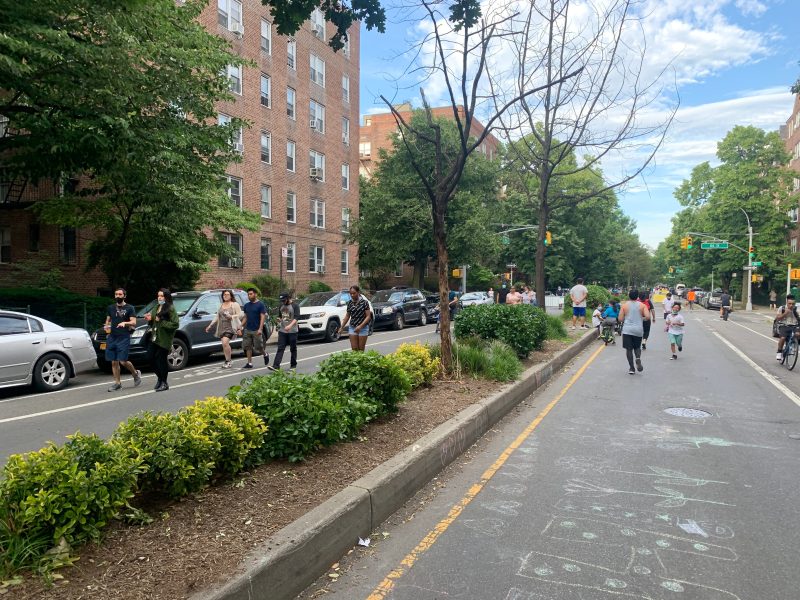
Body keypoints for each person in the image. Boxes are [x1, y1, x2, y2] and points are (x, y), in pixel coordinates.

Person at [104, 287, 141, 392]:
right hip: (112, 337)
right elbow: (107, 320)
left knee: (123, 361)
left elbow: (134, 322)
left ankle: (135, 373)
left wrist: (125, 323)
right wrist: (106, 327)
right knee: (114, 362)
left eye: (120, 294)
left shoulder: (130, 308)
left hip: (124, 336)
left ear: (124, 296)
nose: (118, 296)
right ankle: (117, 383)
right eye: (116, 294)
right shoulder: (110, 308)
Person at [144, 288, 178, 392]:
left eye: (162, 296)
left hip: (164, 338)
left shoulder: (170, 308)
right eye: (158, 296)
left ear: (166, 297)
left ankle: (164, 383)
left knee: (161, 360)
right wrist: (150, 320)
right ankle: (160, 378)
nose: (159, 298)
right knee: (149, 357)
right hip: (155, 337)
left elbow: (175, 324)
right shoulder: (156, 307)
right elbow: (154, 322)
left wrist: (162, 322)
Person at [205, 289, 242, 369]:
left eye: (227, 294)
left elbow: (240, 314)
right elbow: (217, 316)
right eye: (224, 295)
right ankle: (228, 360)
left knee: (225, 342)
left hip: (231, 327)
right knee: (224, 345)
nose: (225, 296)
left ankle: (228, 361)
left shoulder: (234, 304)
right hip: (221, 327)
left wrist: (231, 316)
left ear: (231, 296)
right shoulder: (221, 305)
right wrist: (210, 325)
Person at [619, 289, 650, 375]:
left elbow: (620, 319)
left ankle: (632, 368)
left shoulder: (624, 306)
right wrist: (641, 319)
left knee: (629, 349)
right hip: (638, 329)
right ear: (637, 297)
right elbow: (647, 317)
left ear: (629, 295)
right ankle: (638, 358)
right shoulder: (642, 305)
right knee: (637, 347)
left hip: (627, 329)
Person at [270, 291, 300, 371]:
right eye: (281, 301)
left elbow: (296, 317)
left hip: (292, 331)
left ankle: (293, 366)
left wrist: (290, 326)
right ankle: (276, 366)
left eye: (284, 300)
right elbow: (281, 316)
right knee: (280, 348)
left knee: (293, 348)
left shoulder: (295, 306)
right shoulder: (281, 306)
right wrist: (279, 320)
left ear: (288, 298)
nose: (282, 302)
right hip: (282, 330)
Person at [240, 288, 268, 369]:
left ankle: (265, 354)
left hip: (256, 329)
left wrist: (260, 329)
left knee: (258, 347)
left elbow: (262, 317)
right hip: (248, 329)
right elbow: (245, 317)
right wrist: (241, 325)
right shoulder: (246, 305)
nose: (249, 296)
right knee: (247, 347)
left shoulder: (260, 305)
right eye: (248, 294)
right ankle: (249, 363)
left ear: (255, 294)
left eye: (251, 294)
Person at [339, 285, 373, 351]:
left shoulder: (364, 302)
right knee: (354, 349)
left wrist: (360, 326)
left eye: (354, 293)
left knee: (361, 350)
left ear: (358, 292)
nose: (352, 295)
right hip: (352, 327)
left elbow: (368, 316)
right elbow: (347, 316)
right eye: (350, 293)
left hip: (363, 328)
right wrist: (342, 327)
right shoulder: (349, 303)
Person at [775, 295, 799, 361]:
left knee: (798, 334)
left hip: (794, 325)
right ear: (787, 302)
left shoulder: (797, 309)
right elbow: (778, 318)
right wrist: (785, 313)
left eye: (793, 304)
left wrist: (796, 312)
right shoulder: (782, 308)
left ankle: (794, 346)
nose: (791, 305)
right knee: (783, 338)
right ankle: (779, 351)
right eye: (790, 303)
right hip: (784, 325)